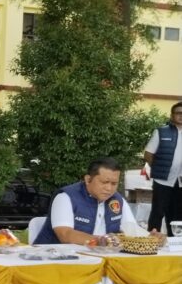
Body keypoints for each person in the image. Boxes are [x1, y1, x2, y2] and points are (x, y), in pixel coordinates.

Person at [33, 157, 157, 245]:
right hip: (53, 260)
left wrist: (151, 239)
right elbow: (65, 234)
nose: (109, 188)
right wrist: (100, 241)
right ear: (88, 180)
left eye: (114, 183)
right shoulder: (66, 197)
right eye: (104, 182)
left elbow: (131, 230)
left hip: (99, 260)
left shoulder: (118, 200)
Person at [144, 101, 182, 236]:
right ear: (172, 115)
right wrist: (159, 168)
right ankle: (152, 242)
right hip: (162, 180)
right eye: (178, 113)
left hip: (180, 182)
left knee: (177, 214)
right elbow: (148, 154)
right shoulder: (161, 132)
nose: (181, 116)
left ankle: (175, 241)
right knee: (158, 212)